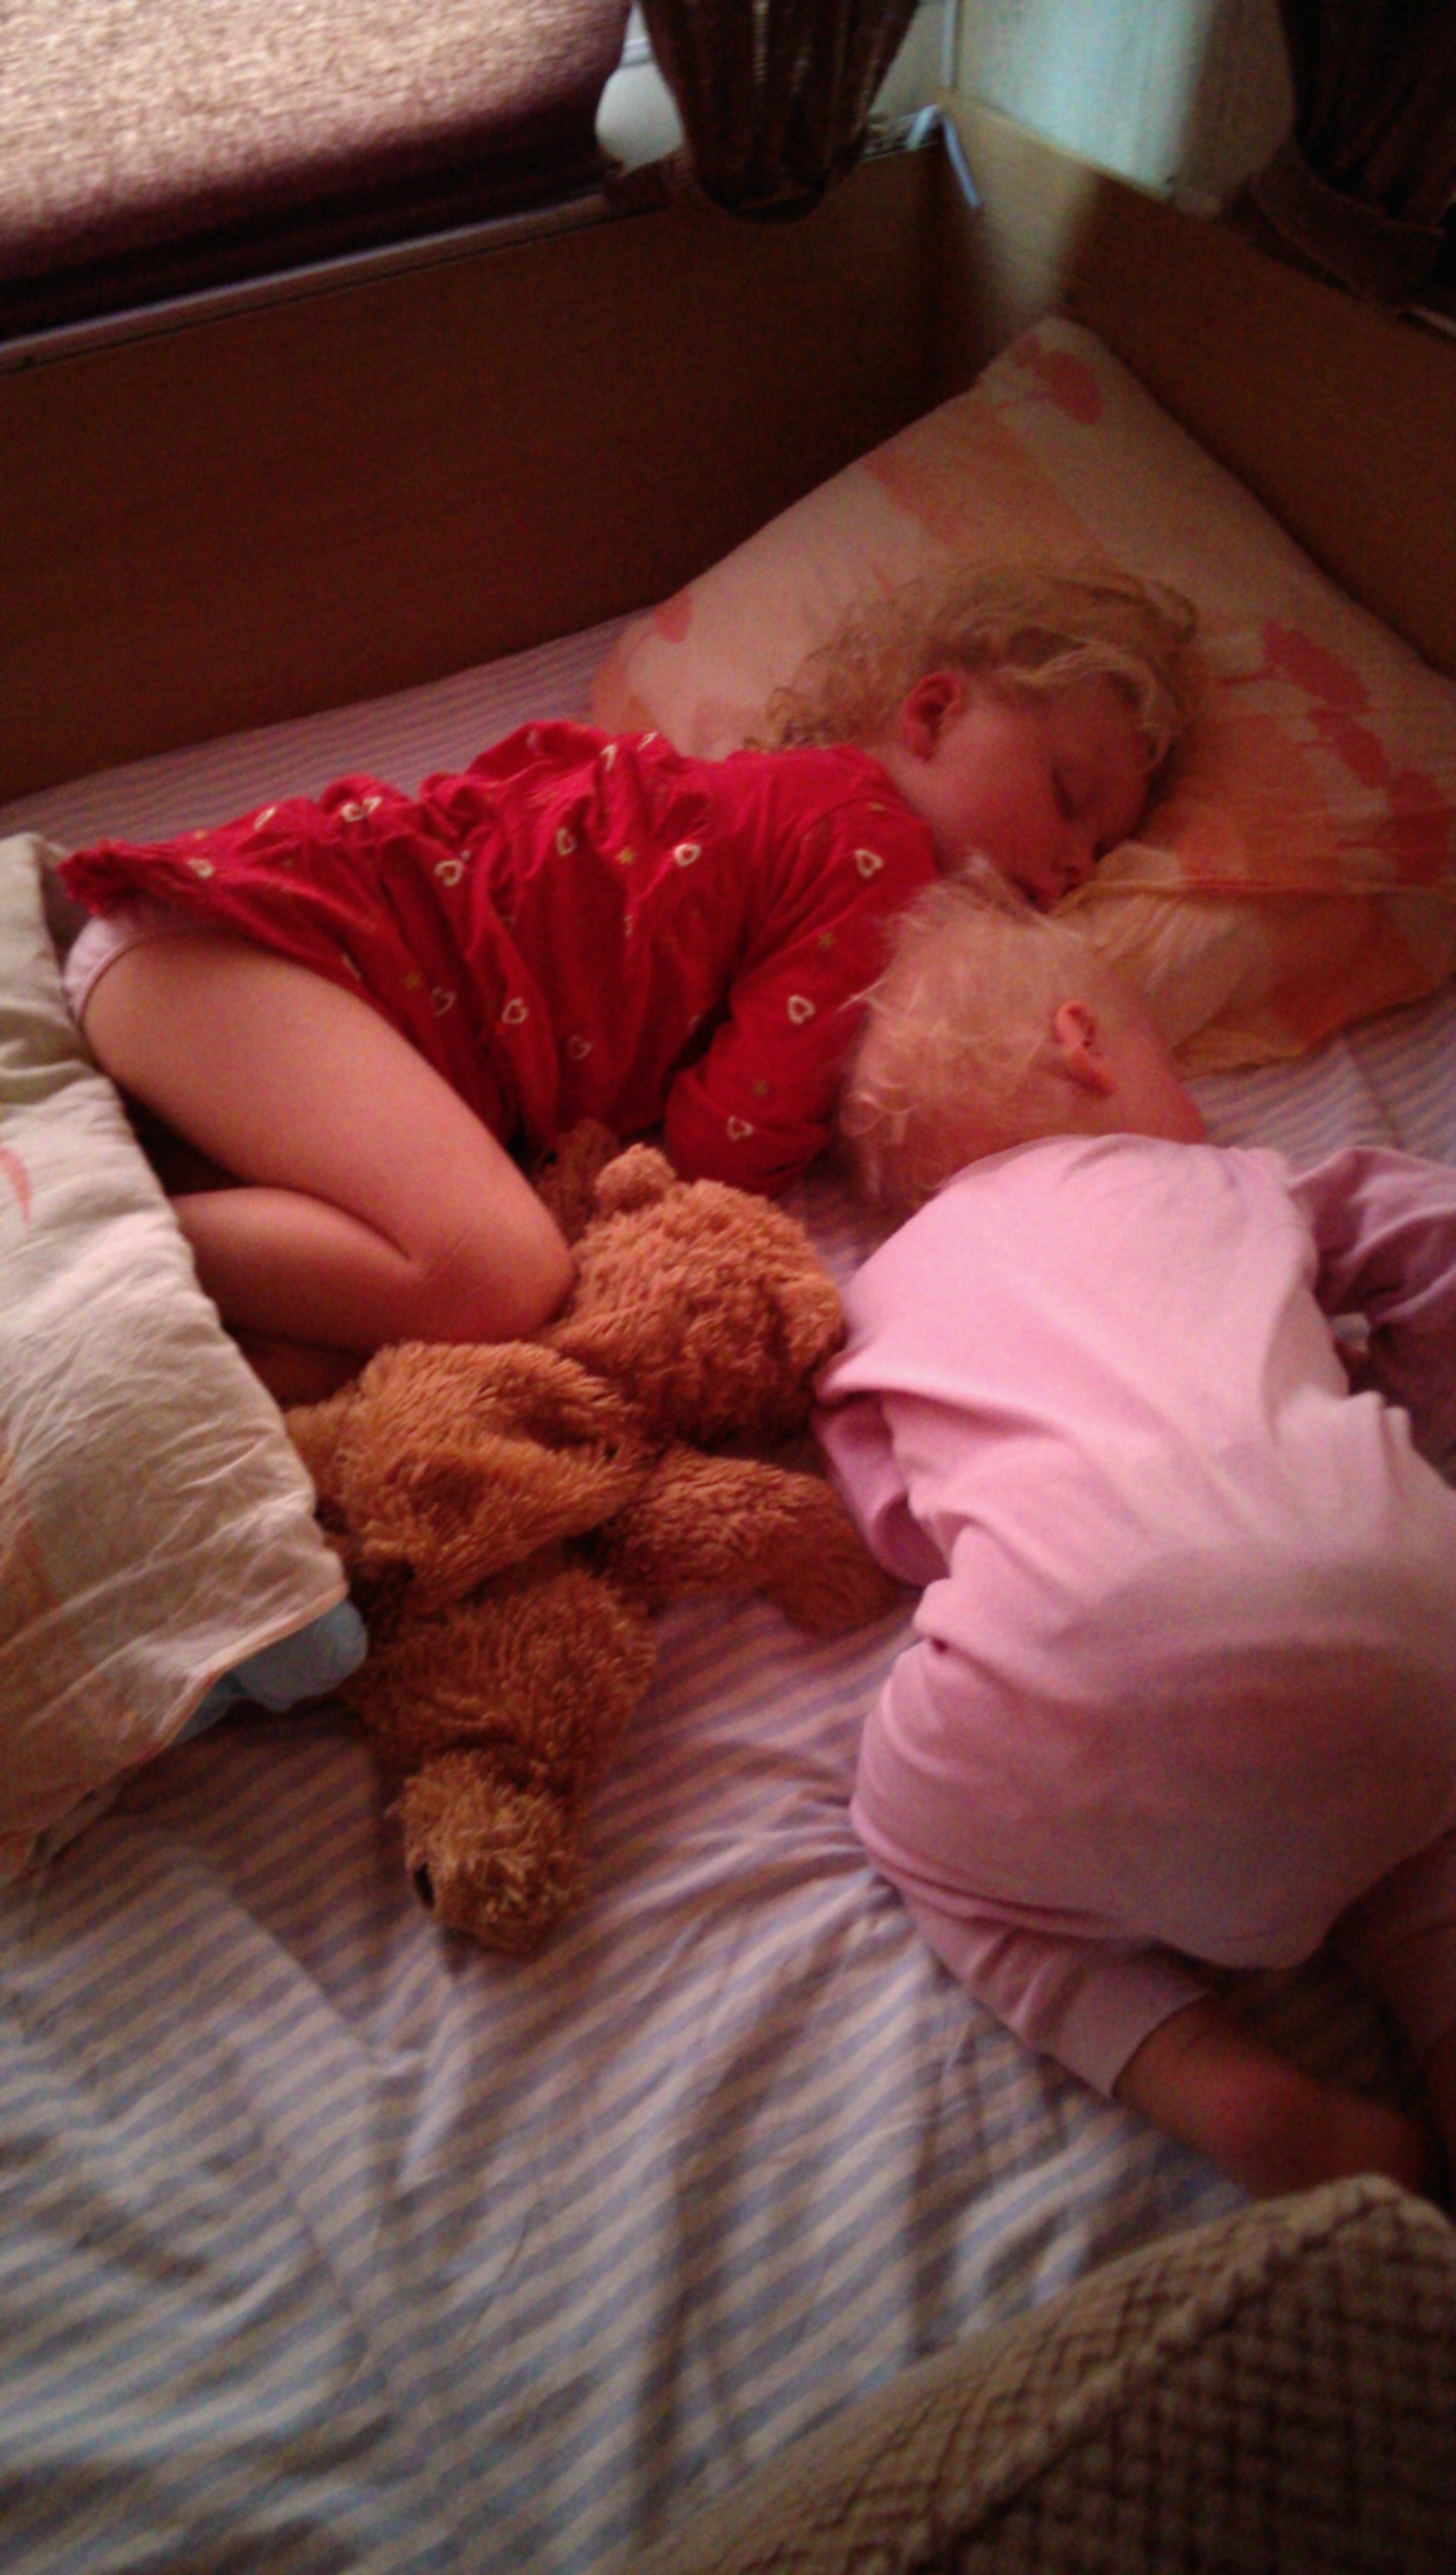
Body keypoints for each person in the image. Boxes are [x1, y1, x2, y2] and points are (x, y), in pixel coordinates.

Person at [57, 563, 1196, 1401]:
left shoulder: (782, 803)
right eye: (1065, 796)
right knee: (500, 1278)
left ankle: (81, 1221)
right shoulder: (871, 852)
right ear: (935, 712)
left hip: (233, 977)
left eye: (1099, 853)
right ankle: (64, 1235)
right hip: (265, 953)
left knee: (329, 1355)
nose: (1072, 865)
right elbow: (718, 1148)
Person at [815, 883, 1456, 2203]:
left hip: (1068, 1672)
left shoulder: (873, 1300)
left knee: (917, 1843)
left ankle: (1222, 2089)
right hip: (1396, 1602)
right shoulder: (1237, 1178)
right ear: (1085, 1042)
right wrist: (1406, 1422)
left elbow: (890, 1522)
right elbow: (1438, 1245)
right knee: (1421, 1819)